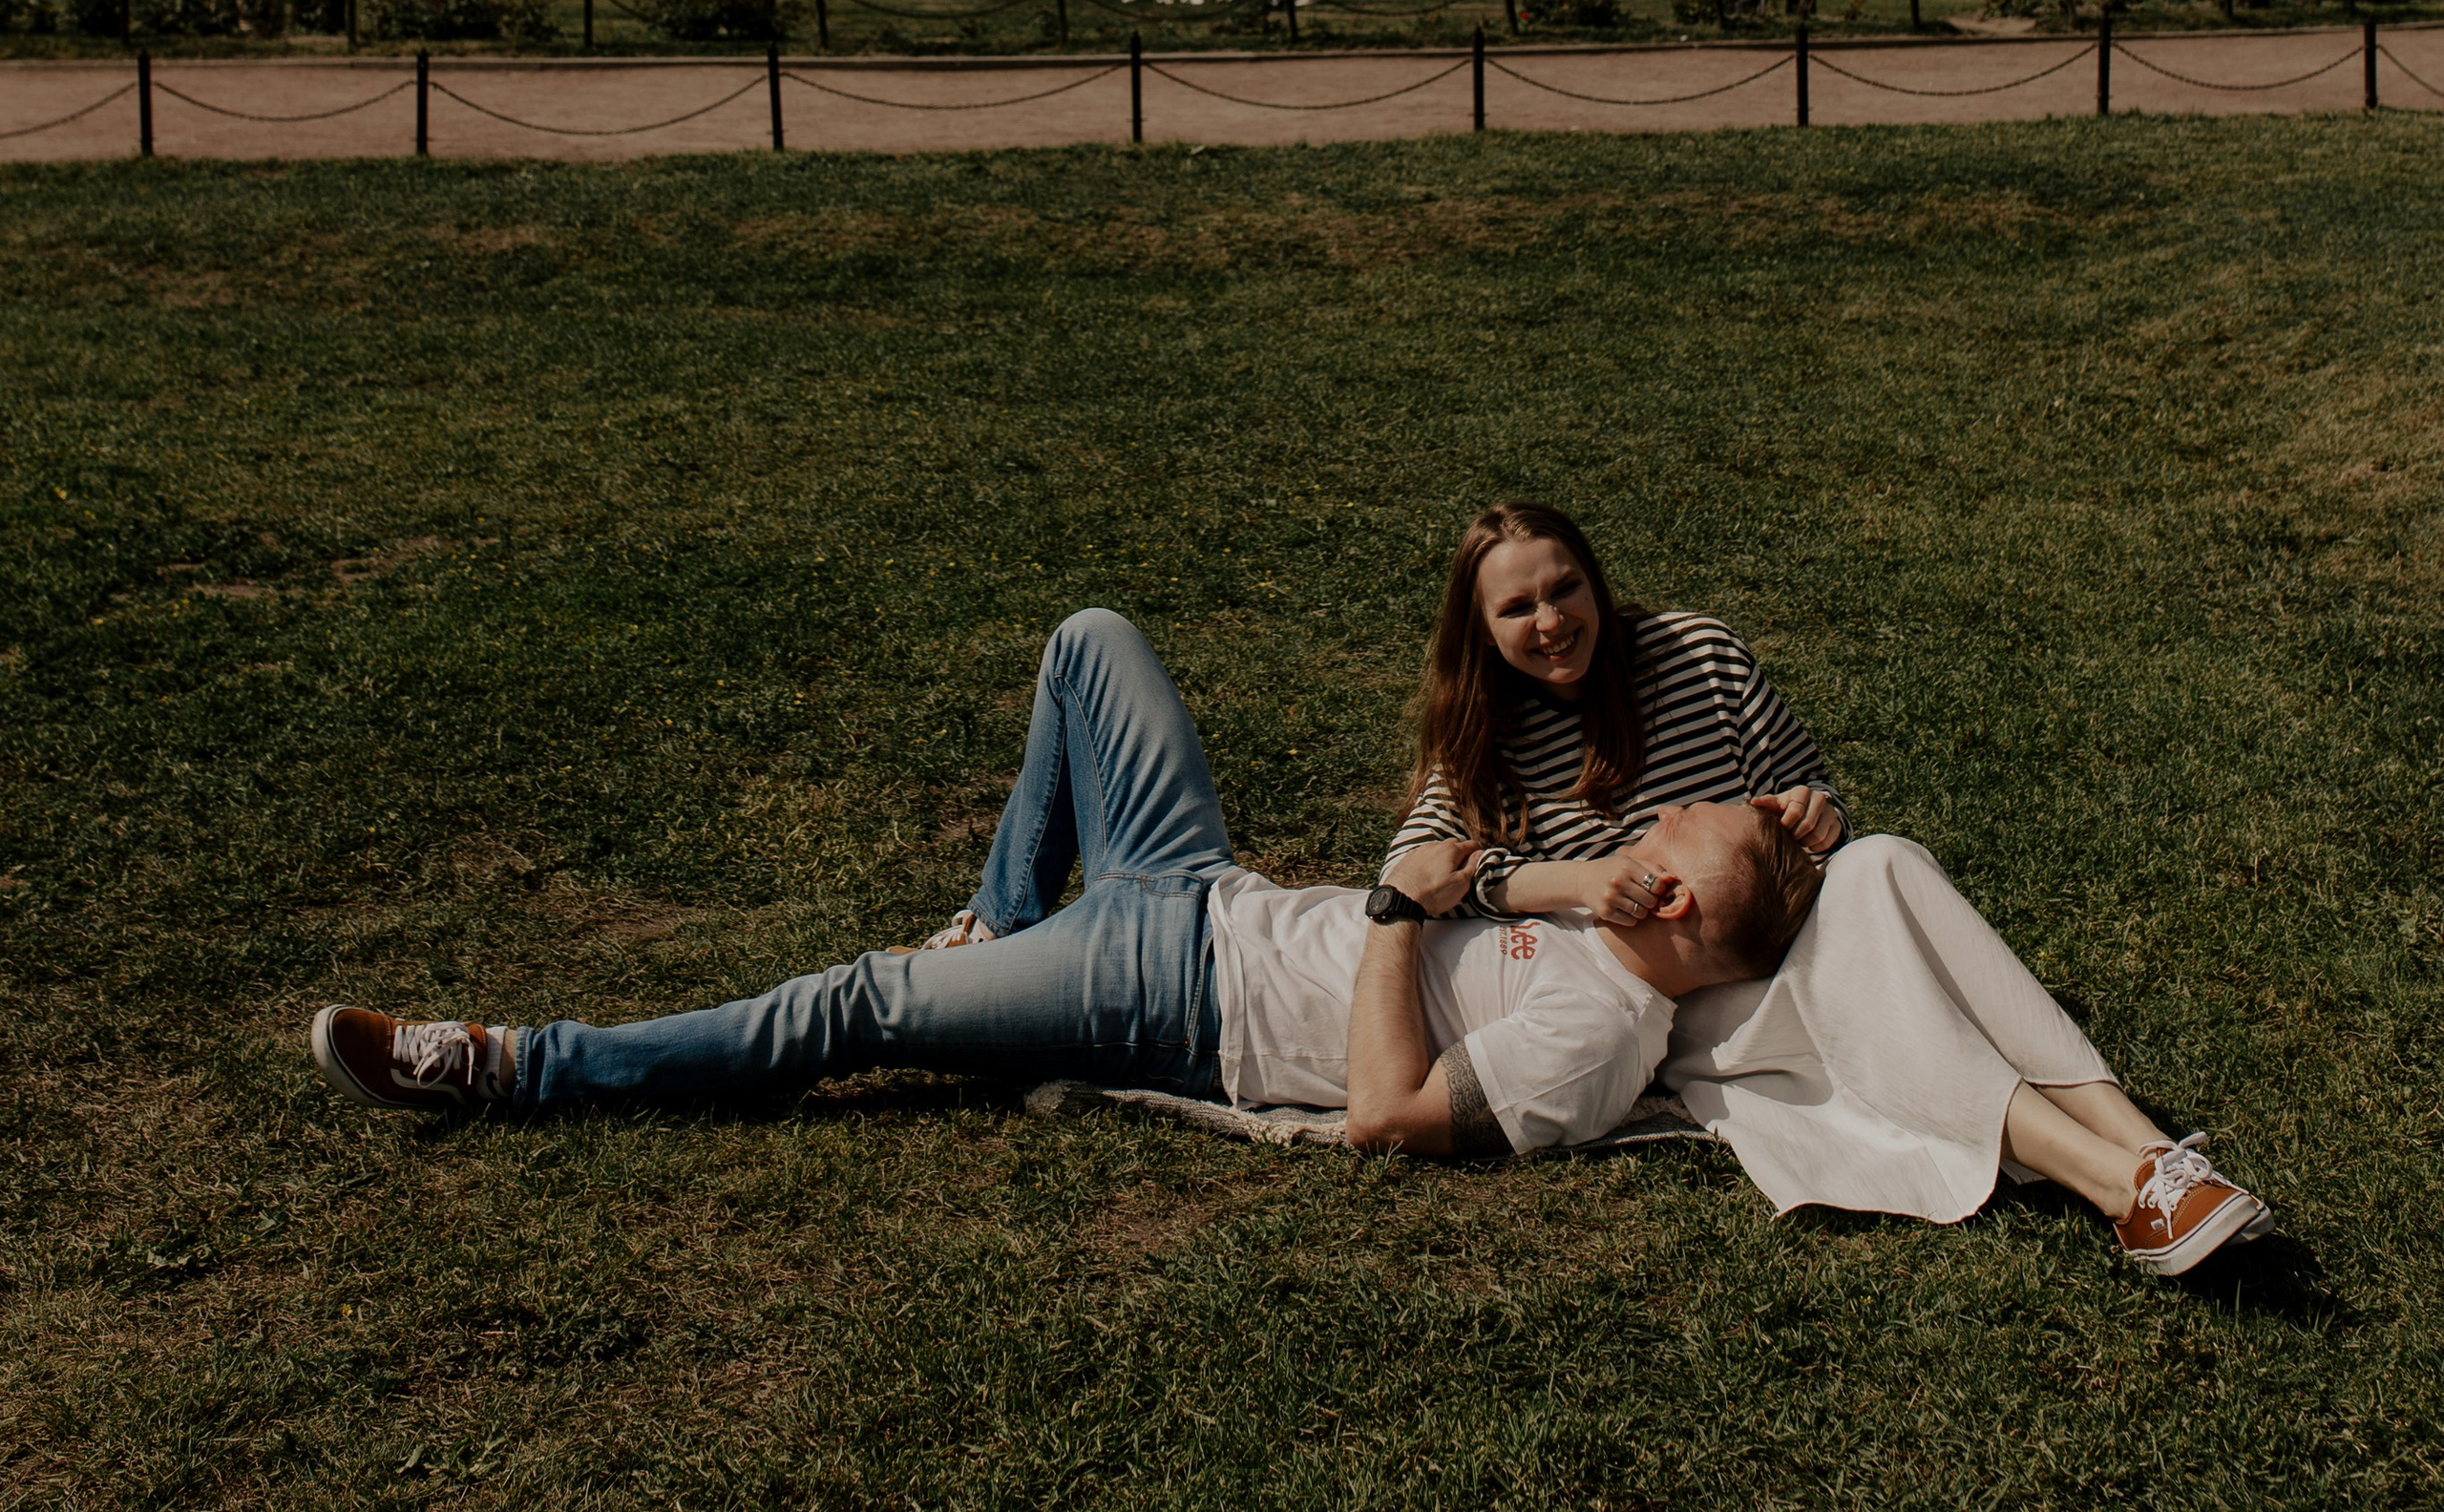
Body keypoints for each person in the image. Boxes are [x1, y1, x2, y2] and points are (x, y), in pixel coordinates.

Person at [307, 608, 1816, 1157]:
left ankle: (510, 1067)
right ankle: (999, 920)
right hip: (1200, 885)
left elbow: (1382, 1116)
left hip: (1174, 991)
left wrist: (1389, 915)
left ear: (1678, 907)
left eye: (1675, 837)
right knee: (1092, 641)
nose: (1654, 825)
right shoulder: (1615, 926)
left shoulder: (1596, 1045)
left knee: (858, 1006)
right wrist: (1518, 888)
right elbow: (1482, 866)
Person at [1379, 505, 2272, 1274]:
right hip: (1671, 987)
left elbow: (1808, 780)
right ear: (1482, 628)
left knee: (1884, 858)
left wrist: (1819, 815)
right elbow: (1415, 875)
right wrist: (1572, 880)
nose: (1551, 621)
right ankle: (2124, 1184)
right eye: (1518, 607)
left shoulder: (1697, 654)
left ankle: (2150, 1153)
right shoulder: (1484, 729)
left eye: (1565, 589)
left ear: (1594, 582)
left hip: (1777, 920)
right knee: (1893, 996)